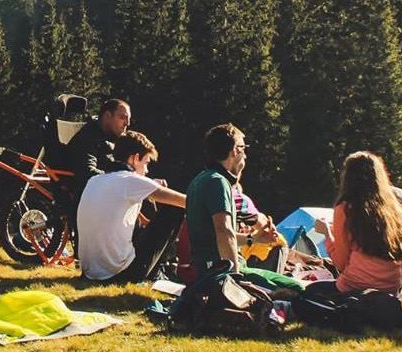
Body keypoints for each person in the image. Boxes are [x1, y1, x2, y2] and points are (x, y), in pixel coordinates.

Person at [75, 131, 187, 282]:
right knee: (174, 209)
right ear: (135, 158)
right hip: (122, 273)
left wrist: (150, 185)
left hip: (90, 272)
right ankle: (157, 272)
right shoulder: (131, 180)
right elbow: (184, 201)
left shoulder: (95, 179)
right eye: (146, 163)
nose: (147, 171)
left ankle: (156, 270)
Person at [182, 123, 282, 276]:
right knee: (297, 290)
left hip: (211, 268)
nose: (246, 156)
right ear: (235, 150)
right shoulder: (218, 182)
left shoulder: (202, 179)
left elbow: (216, 236)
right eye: (243, 148)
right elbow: (224, 231)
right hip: (220, 271)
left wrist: (254, 239)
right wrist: (235, 278)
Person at [323, 151, 402, 294]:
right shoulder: (395, 209)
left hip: (355, 288)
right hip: (391, 289)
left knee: (306, 295)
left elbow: (341, 263)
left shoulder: (346, 209)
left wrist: (326, 233)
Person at [61, 97, 131, 206]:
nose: (127, 123)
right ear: (107, 116)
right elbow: (87, 172)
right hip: (93, 202)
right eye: (123, 117)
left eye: (128, 119)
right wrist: (121, 181)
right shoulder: (88, 138)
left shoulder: (109, 138)